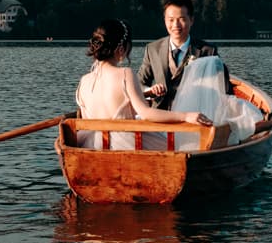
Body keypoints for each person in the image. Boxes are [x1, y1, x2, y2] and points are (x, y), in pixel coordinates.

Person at [75, 18, 212, 150]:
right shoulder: (125, 74)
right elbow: (146, 113)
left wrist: (146, 93)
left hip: (91, 144)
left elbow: (94, 113)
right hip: (124, 144)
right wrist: (185, 116)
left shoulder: (84, 80)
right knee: (179, 146)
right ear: (122, 48)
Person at [138, 0, 227, 111]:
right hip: (160, 114)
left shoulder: (208, 51)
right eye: (171, 20)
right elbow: (139, 83)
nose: (176, 25)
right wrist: (150, 90)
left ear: (191, 20)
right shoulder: (153, 49)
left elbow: (221, 87)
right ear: (164, 20)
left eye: (181, 19)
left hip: (195, 115)